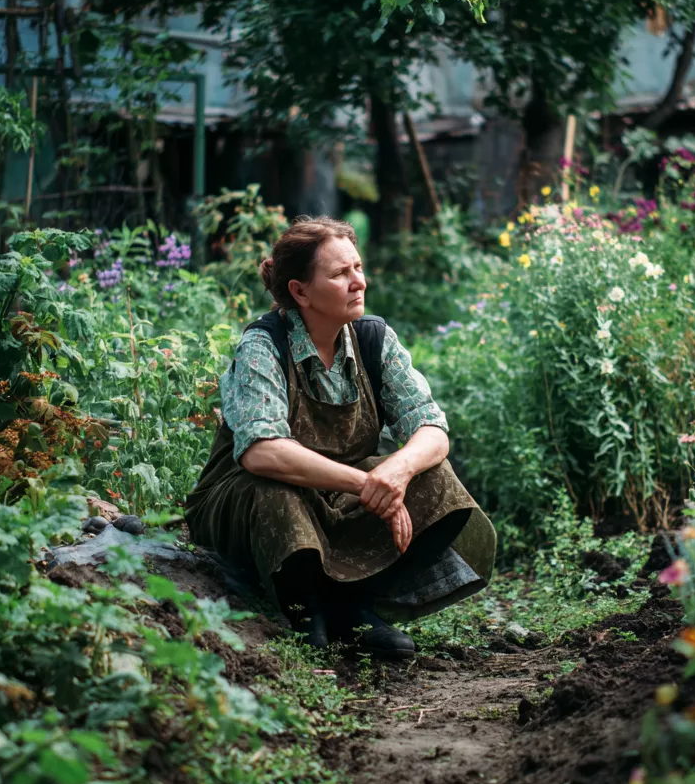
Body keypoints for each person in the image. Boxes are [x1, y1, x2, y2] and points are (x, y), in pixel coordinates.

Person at [184, 217, 496, 658]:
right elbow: (261, 453)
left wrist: (396, 472)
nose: (358, 282)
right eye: (339, 273)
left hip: (331, 501)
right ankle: (302, 612)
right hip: (244, 504)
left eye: (358, 268)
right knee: (277, 490)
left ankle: (352, 608)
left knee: (436, 478)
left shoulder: (373, 340)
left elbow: (431, 428)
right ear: (300, 292)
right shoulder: (264, 345)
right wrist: (366, 485)